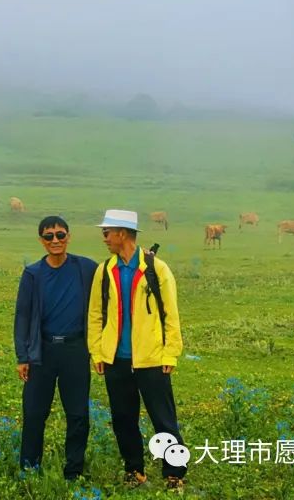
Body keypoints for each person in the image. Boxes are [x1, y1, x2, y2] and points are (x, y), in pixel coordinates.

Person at [87, 209, 185, 491]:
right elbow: (95, 314)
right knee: (123, 418)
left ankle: (175, 473)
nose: (104, 238)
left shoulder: (156, 269)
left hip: (152, 359)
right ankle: (134, 471)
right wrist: (98, 352)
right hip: (116, 358)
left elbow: (171, 315)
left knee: (163, 419)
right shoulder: (105, 271)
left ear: (122, 233)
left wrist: (170, 353)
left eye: (107, 232)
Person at [13, 215, 98, 481]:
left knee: (78, 414)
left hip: (75, 349)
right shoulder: (33, 274)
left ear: (69, 237)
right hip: (42, 351)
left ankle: (73, 471)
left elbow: (114, 275)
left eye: (60, 235)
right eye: (49, 236)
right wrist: (22, 355)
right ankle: (29, 468)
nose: (55, 240)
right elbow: (22, 317)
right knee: (35, 412)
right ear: (41, 240)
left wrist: (143, 258)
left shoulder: (85, 268)